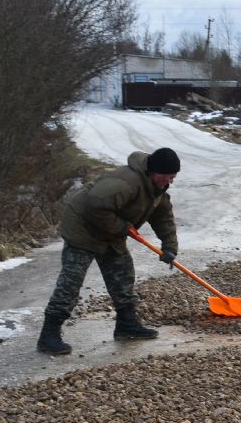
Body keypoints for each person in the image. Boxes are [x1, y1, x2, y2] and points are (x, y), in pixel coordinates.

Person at [36, 147, 181, 354]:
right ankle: (48, 335)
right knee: (71, 282)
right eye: (167, 176)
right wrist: (122, 227)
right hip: (83, 230)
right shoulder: (125, 182)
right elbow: (94, 206)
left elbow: (163, 216)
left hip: (110, 232)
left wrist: (169, 247)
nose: (170, 181)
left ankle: (126, 324)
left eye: (173, 176)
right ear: (153, 171)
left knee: (123, 276)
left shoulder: (157, 188)